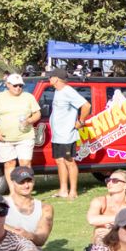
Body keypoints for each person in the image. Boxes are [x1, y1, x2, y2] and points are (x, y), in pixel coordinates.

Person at [0, 71, 40, 188]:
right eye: (15, 85)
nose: (18, 88)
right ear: (7, 84)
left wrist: (29, 121)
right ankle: (13, 191)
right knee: (9, 164)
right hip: (5, 138)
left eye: (20, 86)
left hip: (25, 136)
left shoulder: (28, 97)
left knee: (25, 164)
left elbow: (37, 113)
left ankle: (26, 188)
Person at [47, 71, 91, 200]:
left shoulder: (68, 91)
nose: (49, 78)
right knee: (59, 161)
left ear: (57, 79)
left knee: (69, 161)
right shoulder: (57, 91)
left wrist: (80, 122)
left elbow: (86, 105)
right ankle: (63, 190)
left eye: (51, 76)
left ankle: (73, 191)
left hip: (67, 134)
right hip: (57, 134)